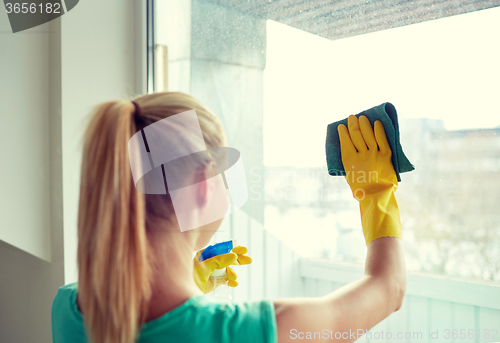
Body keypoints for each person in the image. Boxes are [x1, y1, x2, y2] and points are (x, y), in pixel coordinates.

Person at [51, 92, 406, 343]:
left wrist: (185, 278)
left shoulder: (68, 308)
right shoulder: (253, 333)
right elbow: (388, 290)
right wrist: (375, 193)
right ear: (204, 184)